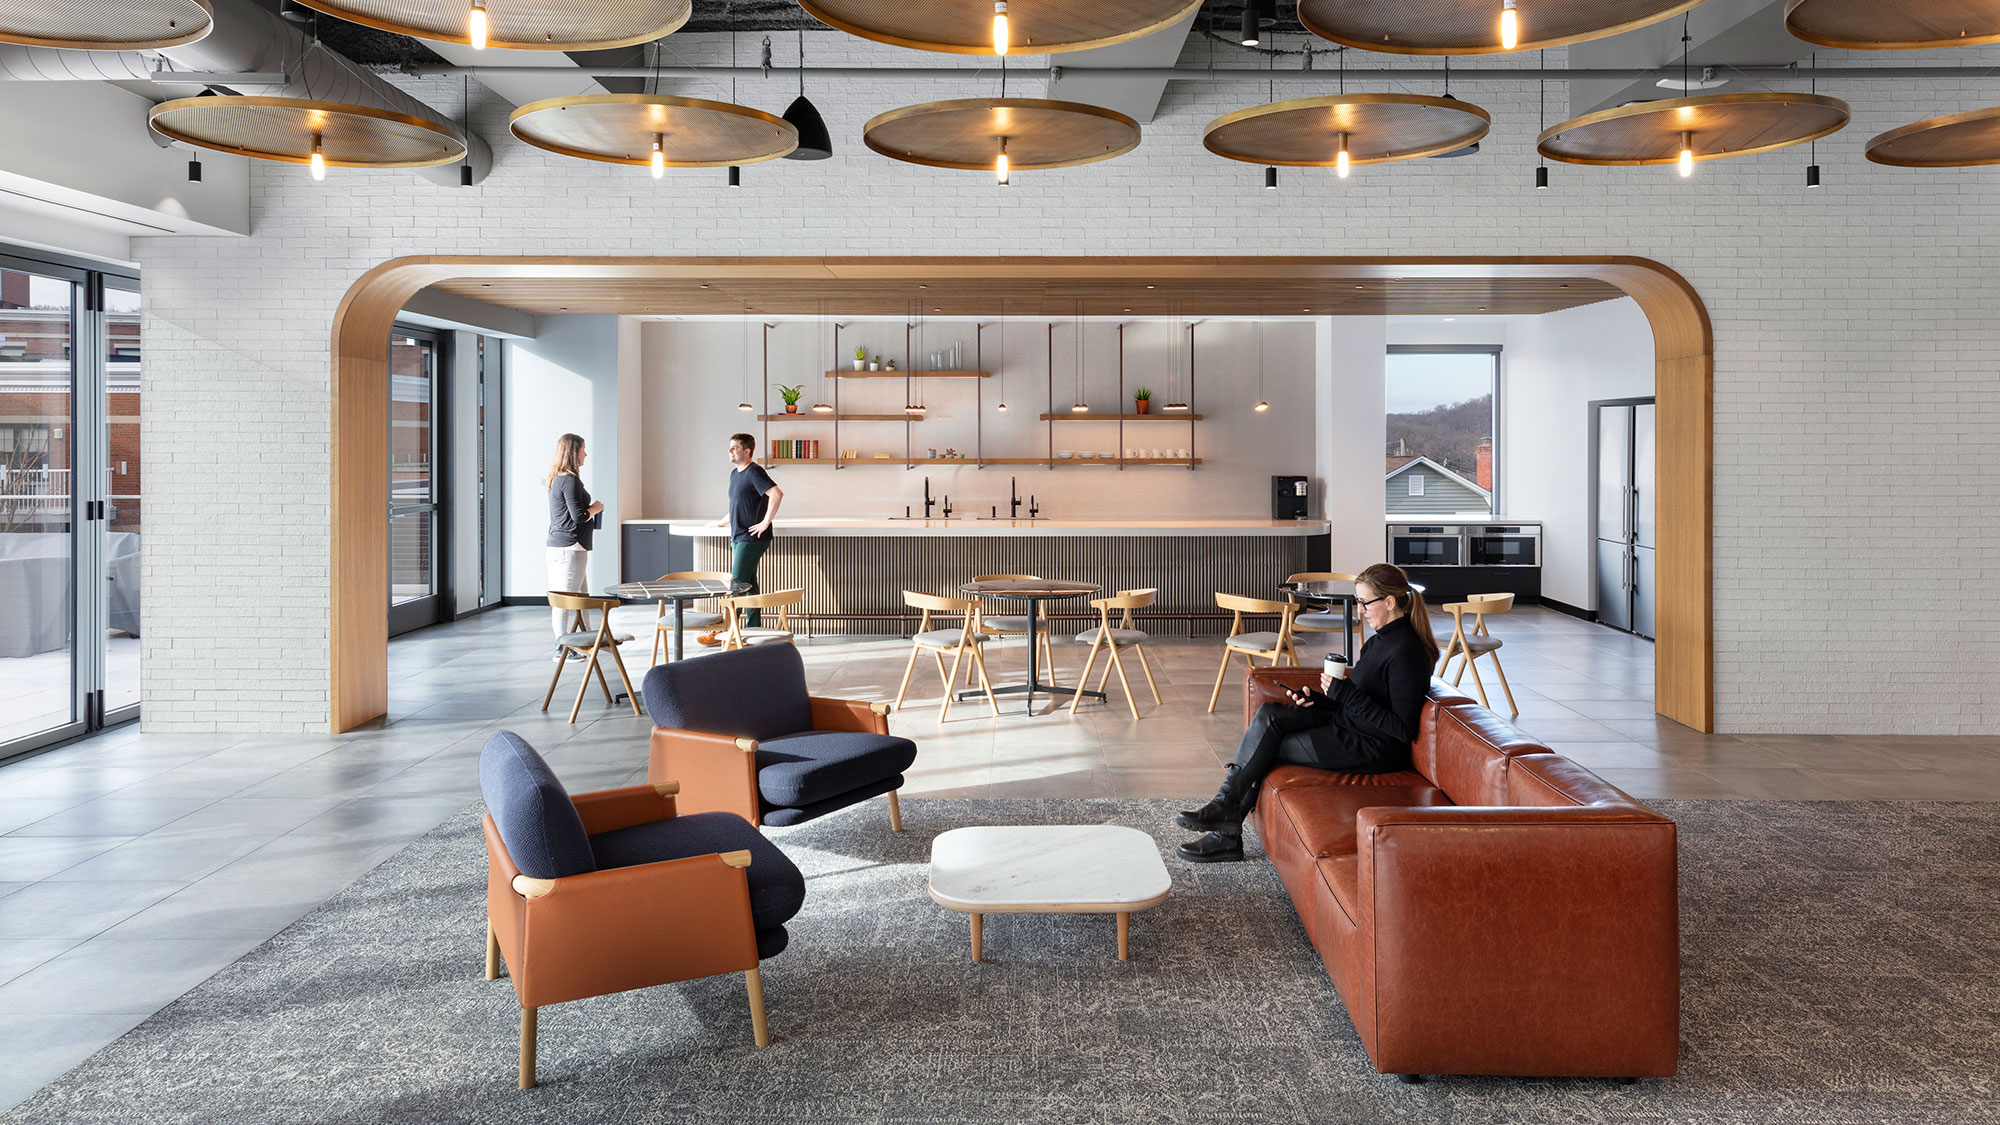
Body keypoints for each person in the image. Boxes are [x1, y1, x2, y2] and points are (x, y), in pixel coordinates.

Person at [1176, 562, 1440, 863]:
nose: (1361, 610)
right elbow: (1358, 699)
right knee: (1270, 713)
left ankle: (1224, 831)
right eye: (1359, 602)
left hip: (1370, 747)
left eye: (1365, 603)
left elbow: (1402, 729)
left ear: (1390, 602)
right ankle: (1224, 811)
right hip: (1348, 725)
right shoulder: (1379, 642)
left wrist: (1345, 693)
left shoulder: (1407, 651)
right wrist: (1318, 699)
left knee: (1267, 747)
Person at [709, 432, 783, 632]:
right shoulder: (735, 474)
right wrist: (722, 522)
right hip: (738, 536)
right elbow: (737, 505)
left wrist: (765, 522)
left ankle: (725, 631)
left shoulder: (754, 472)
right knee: (749, 583)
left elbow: (776, 493)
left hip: (752, 538)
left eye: (735, 448)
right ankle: (753, 628)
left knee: (737, 583)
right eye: (730, 447)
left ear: (747, 451)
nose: (730, 451)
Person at [544, 433, 604, 658]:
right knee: (565, 599)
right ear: (573, 451)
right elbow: (579, 516)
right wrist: (595, 508)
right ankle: (562, 648)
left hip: (563, 547)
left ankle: (587, 639)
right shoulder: (569, 480)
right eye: (583, 449)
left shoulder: (558, 478)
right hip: (570, 547)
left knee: (580, 596)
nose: (586, 454)